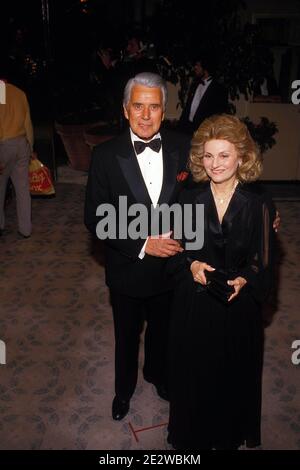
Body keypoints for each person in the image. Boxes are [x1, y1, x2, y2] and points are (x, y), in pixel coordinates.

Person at [84, 72, 191, 420]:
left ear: (165, 111)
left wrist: (261, 212)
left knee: (164, 331)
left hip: (171, 268)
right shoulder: (104, 155)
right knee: (126, 338)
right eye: (139, 107)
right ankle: (123, 391)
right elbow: (96, 218)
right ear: (126, 110)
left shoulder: (183, 147)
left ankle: (158, 376)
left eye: (154, 107)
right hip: (127, 269)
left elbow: (205, 195)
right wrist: (143, 243)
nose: (146, 116)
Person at [167, 114, 275, 450]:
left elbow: (265, 260)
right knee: (195, 374)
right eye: (208, 156)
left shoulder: (258, 203)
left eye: (224, 155)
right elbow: (176, 248)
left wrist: (246, 279)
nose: (215, 164)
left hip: (237, 305)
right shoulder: (188, 197)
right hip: (196, 301)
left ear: (242, 157)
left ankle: (226, 435)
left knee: (232, 376)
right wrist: (191, 262)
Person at [0, 59, 34, 238]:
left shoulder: (0, 92)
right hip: (21, 143)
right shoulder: (19, 93)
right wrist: (31, 148)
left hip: (3, 145)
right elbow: (27, 123)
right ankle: (25, 229)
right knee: (22, 189)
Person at [178, 56, 228, 135]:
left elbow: (218, 115)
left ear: (205, 68)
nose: (195, 67)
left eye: (198, 65)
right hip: (187, 129)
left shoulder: (218, 89)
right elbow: (188, 107)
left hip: (203, 133)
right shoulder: (195, 84)